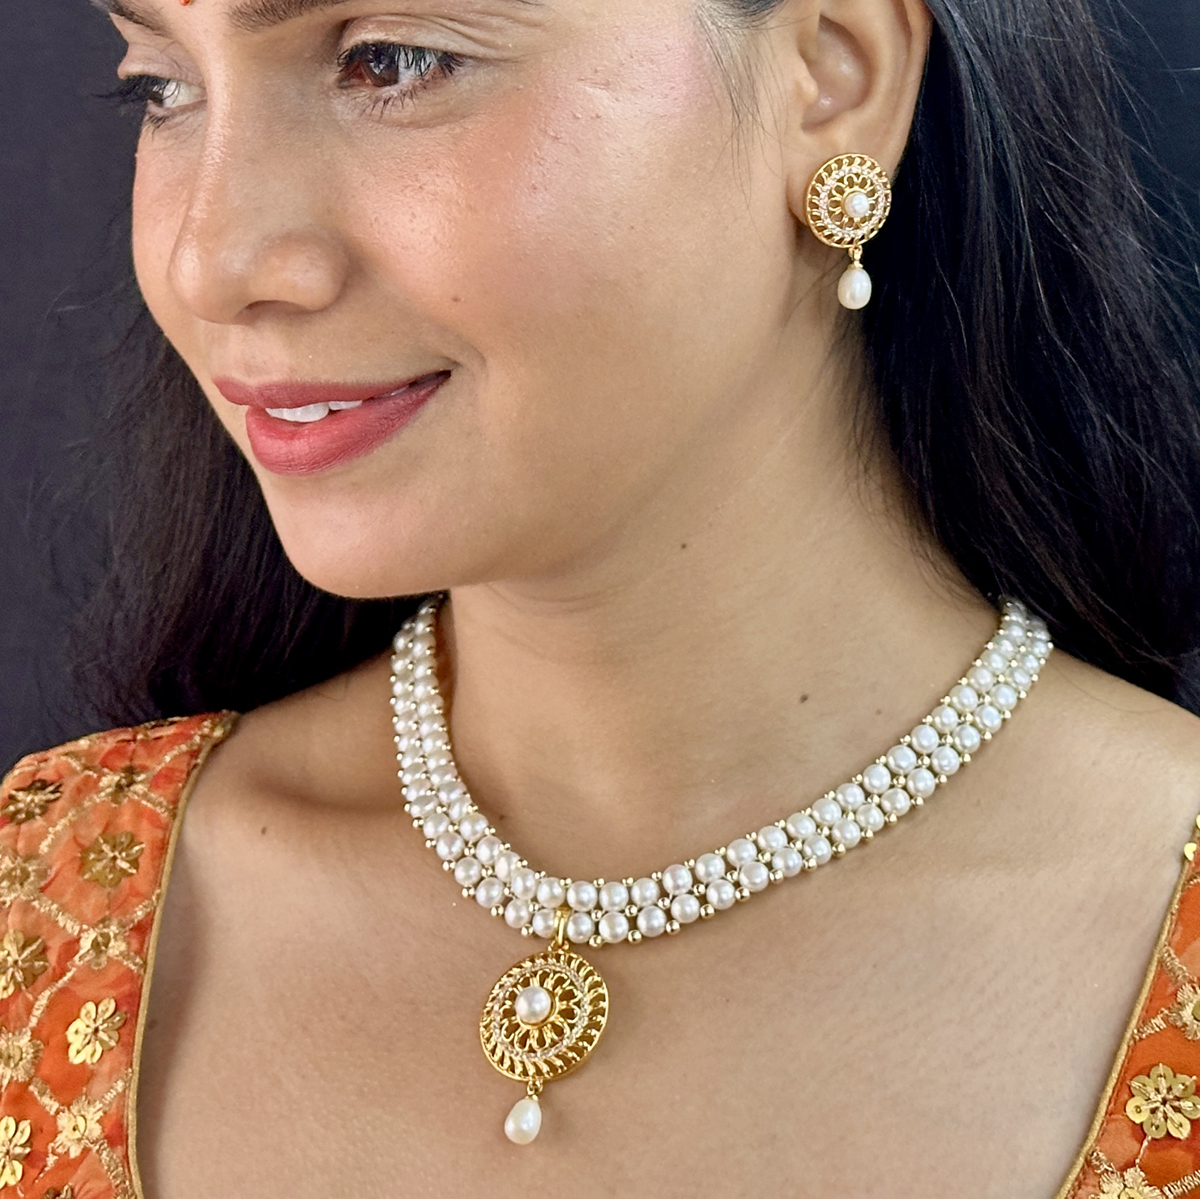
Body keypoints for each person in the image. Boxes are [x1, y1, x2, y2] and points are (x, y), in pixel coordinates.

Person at [3, 0, 1200, 1194]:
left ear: (833, 79)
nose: (209, 262)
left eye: (393, 63)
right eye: (162, 86)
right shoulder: (48, 906)